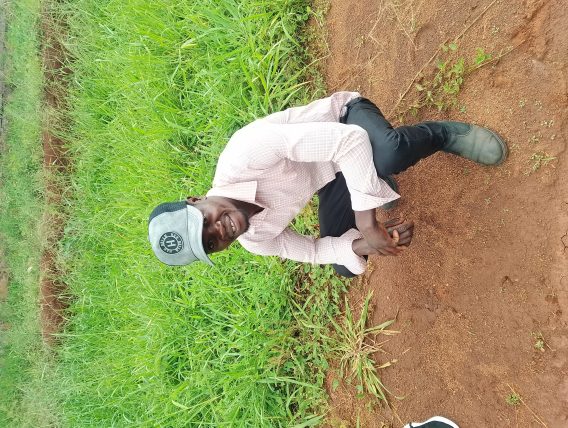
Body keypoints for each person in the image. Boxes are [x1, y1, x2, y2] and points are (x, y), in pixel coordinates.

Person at [148, 92, 506, 277]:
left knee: (388, 153)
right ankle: (373, 182)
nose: (218, 231)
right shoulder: (256, 241)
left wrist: (368, 222)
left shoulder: (243, 156)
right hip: (330, 177)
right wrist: (369, 243)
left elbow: (349, 142)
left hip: (345, 121)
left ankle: (445, 135)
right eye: (211, 244)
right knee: (344, 264)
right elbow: (316, 252)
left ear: (195, 199)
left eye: (204, 221)